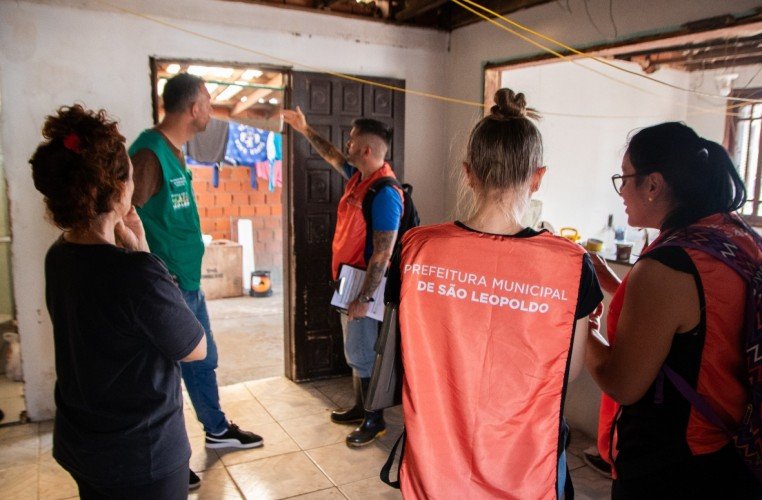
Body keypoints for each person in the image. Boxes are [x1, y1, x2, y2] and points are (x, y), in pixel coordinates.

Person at [397, 89, 603, 499]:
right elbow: (571, 368)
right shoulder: (570, 264)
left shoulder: (417, 248)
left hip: (435, 463)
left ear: (468, 172)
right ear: (538, 176)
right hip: (526, 467)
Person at [31, 104, 207, 499]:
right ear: (118, 188)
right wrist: (145, 255)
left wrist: (140, 249)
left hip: (84, 443)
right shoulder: (134, 273)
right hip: (140, 454)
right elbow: (195, 347)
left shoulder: (59, 254)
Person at [585, 122, 762, 499]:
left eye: (625, 177)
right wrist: (617, 287)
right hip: (743, 455)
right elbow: (702, 322)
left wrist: (577, 321)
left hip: (676, 468)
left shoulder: (666, 268)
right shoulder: (738, 239)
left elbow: (622, 382)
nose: (621, 191)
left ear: (653, 184)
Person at [128, 73, 263, 485]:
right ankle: (169, 462)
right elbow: (123, 216)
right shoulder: (148, 153)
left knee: (203, 360)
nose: (210, 108)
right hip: (165, 286)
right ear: (193, 108)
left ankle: (218, 430)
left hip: (186, 282)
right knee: (166, 377)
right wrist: (147, 271)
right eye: (207, 101)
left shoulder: (174, 150)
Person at [281, 106, 403, 447]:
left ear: (366, 150)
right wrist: (305, 128)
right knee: (355, 349)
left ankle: (374, 419)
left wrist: (364, 298)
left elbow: (383, 253)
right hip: (348, 281)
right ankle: (359, 407)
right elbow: (332, 155)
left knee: (363, 352)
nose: (345, 145)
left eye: (351, 140)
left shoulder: (385, 194)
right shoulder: (359, 177)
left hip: (365, 286)